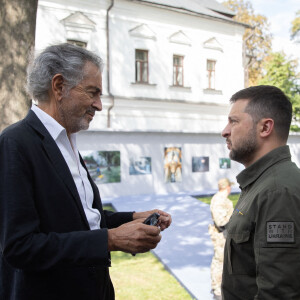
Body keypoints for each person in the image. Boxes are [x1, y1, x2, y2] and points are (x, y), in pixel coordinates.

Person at [0, 43, 172, 300]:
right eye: (93, 93)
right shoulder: (16, 143)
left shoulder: (65, 142)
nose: (99, 105)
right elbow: (19, 247)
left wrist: (134, 217)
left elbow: (81, 218)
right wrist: (109, 240)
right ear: (59, 86)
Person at [221, 85, 300, 299]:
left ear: (265, 128)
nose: (225, 131)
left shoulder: (276, 191)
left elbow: (278, 293)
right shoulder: (261, 183)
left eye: (234, 121)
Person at [208, 178, 234, 300]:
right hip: (222, 236)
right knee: (220, 262)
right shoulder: (219, 200)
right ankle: (217, 291)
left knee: (224, 262)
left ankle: (221, 288)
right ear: (227, 187)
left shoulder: (222, 199)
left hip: (225, 235)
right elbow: (221, 221)